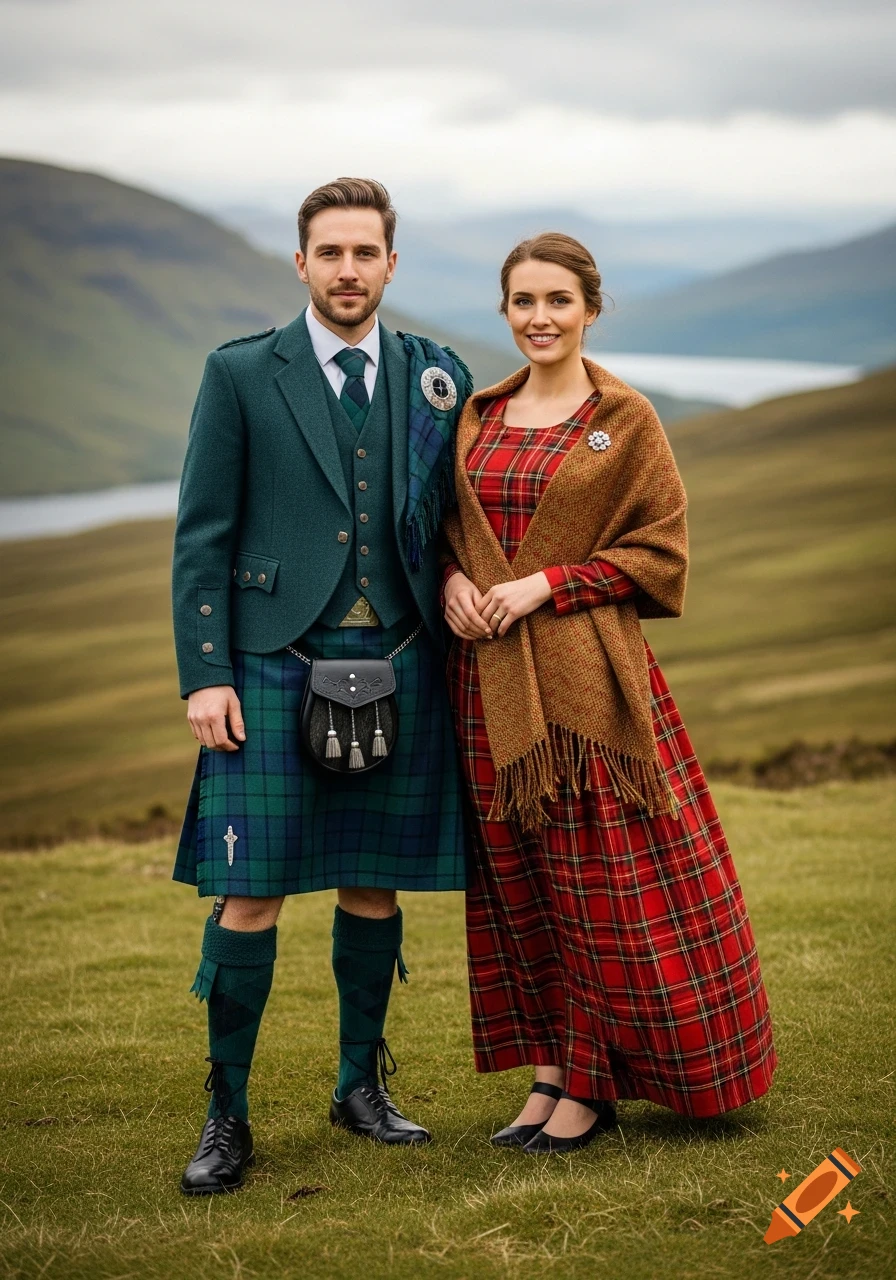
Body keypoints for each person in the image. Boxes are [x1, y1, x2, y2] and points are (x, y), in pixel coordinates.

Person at [441, 233, 776, 1154]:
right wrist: (451, 584)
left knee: (598, 890)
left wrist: (546, 585)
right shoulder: (477, 413)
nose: (539, 319)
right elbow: (439, 529)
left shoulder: (624, 420)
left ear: (591, 306)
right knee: (522, 887)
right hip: (487, 688)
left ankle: (591, 1089)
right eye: (522, 303)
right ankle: (550, 1073)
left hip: (588, 694)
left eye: (557, 301)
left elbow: (658, 554)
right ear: (504, 311)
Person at [171, 178, 471, 1193]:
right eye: (329, 252)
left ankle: (358, 1087)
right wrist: (203, 675)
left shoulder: (437, 377)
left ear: (392, 264)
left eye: (365, 252)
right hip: (267, 665)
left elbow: (452, 524)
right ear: (299, 263)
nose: (348, 269)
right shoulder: (243, 372)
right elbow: (201, 533)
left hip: (401, 662)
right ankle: (226, 1113)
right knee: (247, 893)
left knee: (372, 884)